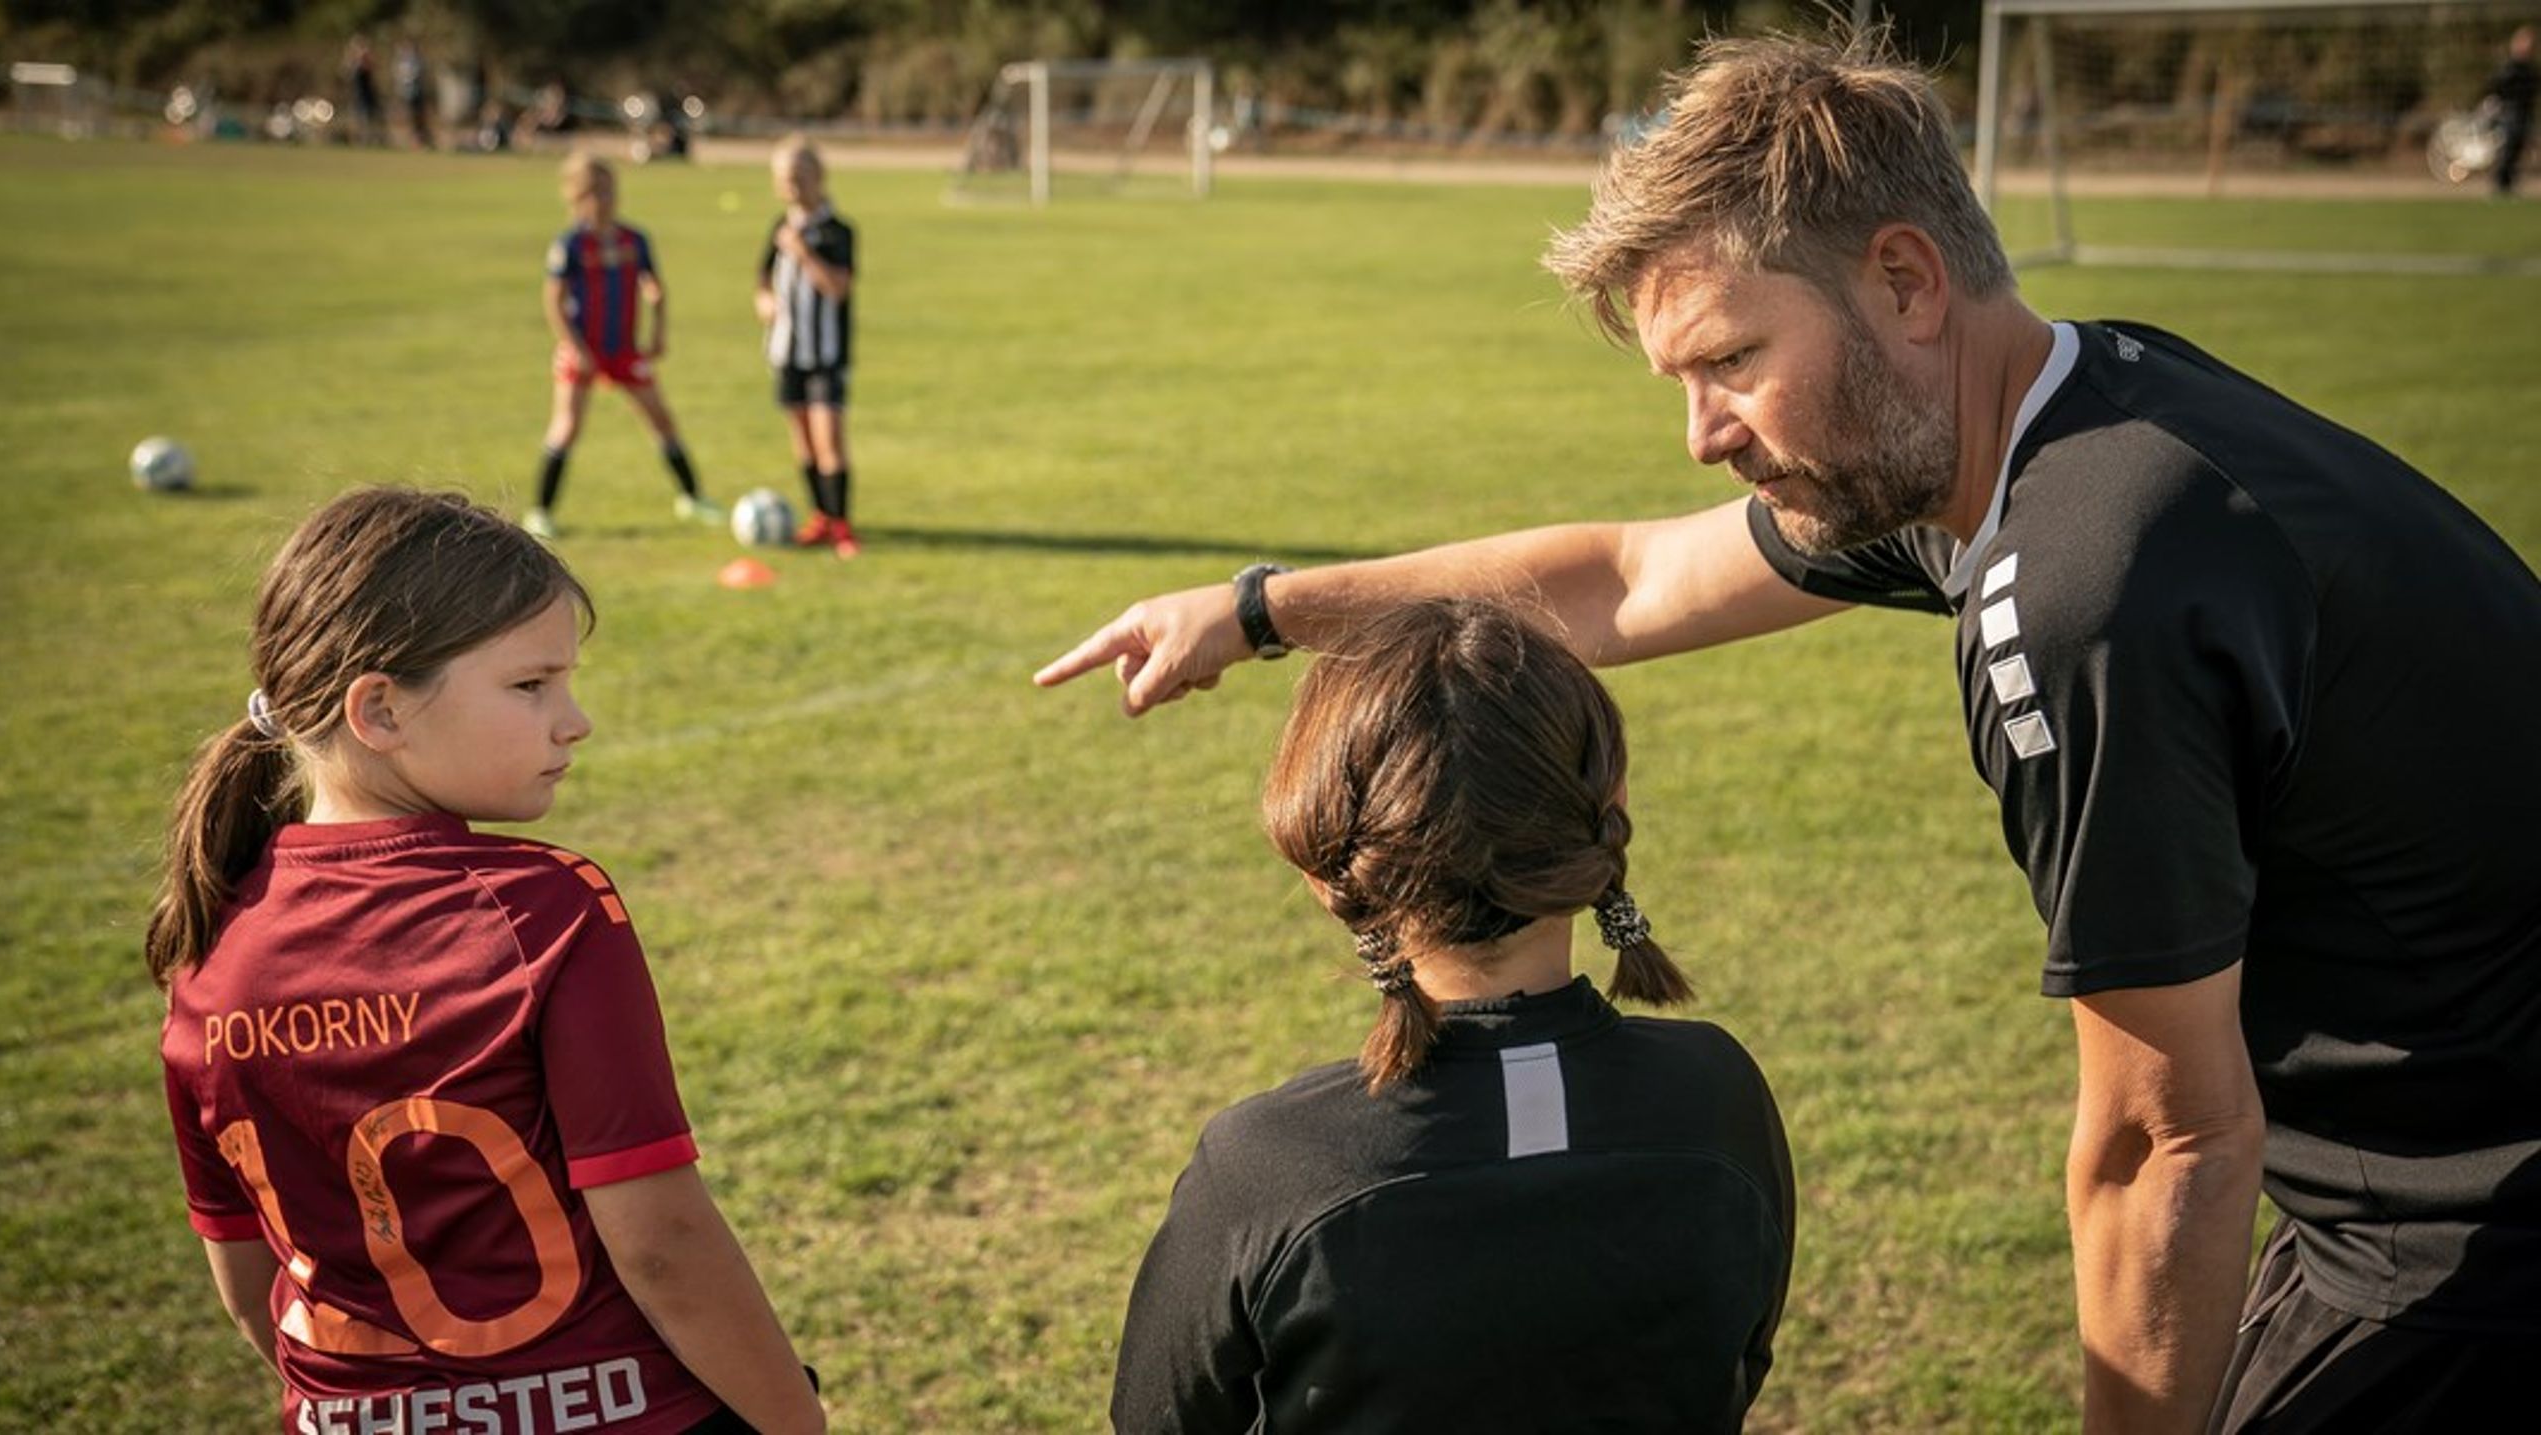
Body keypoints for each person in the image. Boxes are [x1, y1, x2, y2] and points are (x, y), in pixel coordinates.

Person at [1040, 29, 2541, 1433]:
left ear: (1903, 281)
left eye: (1731, 360)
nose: (1701, 429)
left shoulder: (2084, 584)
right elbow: (1628, 577)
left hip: (2470, 1216)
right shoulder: (2070, 421)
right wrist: (1256, 609)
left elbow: (2169, 1143)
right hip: (2411, 1177)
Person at [150, 488, 823, 1434]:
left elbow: (247, 1278)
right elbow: (663, 1243)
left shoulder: (208, 949)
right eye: (531, 685)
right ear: (379, 709)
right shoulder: (541, 910)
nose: (573, 719)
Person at [1111, 598, 1794, 1433]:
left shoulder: (1267, 1166)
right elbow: (1743, 1356)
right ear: (1609, 810)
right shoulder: (1716, 1095)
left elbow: (1160, 1420)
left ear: (1326, 863)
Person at [530, 154, 723, 540]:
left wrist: (658, 328)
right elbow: (553, 300)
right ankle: (540, 512)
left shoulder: (635, 240)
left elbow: (654, 285)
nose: (604, 199)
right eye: (595, 191)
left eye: (609, 189)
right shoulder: (570, 244)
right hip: (583, 350)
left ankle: (692, 498)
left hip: (624, 351)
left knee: (662, 420)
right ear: (577, 196)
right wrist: (575, 346)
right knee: (567, 427)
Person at [754, 135, 860, 556]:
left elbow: (838, 287)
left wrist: (802, 253)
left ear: (819, 177)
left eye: (799, 177)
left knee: (829, 441)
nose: (792, 186)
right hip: (786, 353)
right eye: (784, 178)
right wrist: (763, 301)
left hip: (825, 356)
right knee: (803, 443)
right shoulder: (780, 226)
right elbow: (761, 279)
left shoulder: (838, 232)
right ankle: (819, 516)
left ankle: (842, 525)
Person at [2486, 25, 2537, 197]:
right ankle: (2501, 183)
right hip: (2511, 113)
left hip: (2524, 113)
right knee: (2509, 148)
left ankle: (2508, 183)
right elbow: (2497, 88)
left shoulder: (2530, 69)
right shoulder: (2509, 68)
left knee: (2517, 149)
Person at [341, 35, 381, 147]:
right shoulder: (353, 64)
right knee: (358, 117)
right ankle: (360, 140)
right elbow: (346, 72)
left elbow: (372, 67)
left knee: (370, 117)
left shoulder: (366, 62)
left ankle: (371, 139)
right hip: (357, 95)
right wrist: (351, 57)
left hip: (368, 94)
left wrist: (365, 57)